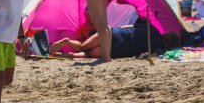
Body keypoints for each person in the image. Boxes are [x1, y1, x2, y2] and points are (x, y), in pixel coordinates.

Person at [51, 22, 179, 59]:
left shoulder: (152, 28)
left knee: (84, 46)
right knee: (88, 54)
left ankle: (67, 42)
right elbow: (149, 55)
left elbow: (128, 27)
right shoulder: (158, 47)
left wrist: (116, 29)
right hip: (118, 49)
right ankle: (63, 55)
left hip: (114, 33)